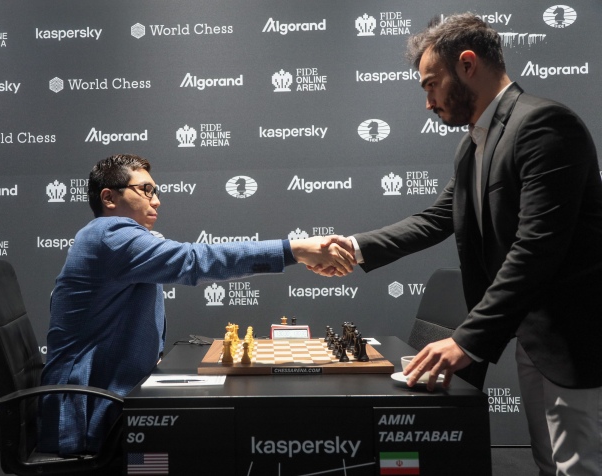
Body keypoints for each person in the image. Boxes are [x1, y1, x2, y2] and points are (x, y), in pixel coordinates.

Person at [318, 13, 602, 476]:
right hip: (535, 338)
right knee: (550, 463)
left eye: (431, 85)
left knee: (578, 467)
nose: (428, 102)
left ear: (467, 63)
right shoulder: (474, 143)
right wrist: (352, 246)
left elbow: (535, 249)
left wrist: (466, 341)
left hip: (575, 340)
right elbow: (436, 220)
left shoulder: (544, 125)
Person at [39, 153, 355, 455]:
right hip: (90, 408)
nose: (157, 201)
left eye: (156, 191)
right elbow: (194, 261)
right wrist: (294, 250)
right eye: (145, 190)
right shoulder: (111, 234)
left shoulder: (106, 236)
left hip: (106, 394)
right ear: (109, 198)